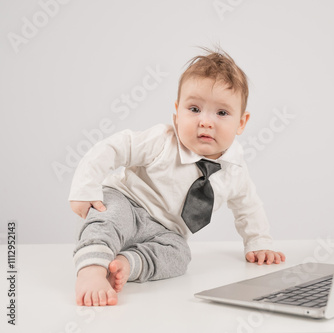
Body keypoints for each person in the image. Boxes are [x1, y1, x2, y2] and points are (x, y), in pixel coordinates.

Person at [69, 48, 286, 307]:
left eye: (222, 113)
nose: (205, 122)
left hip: (167, 231)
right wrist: (86, 187)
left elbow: (248, 206)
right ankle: (91, 271)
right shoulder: (162, 141)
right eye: (194, 109)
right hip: (129, 202)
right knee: (107, 218)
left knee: (180, 256)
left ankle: (128, 264)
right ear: (176, 112)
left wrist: (258, 242)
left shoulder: (235, 169)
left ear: (241, 122)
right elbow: (114, 147)